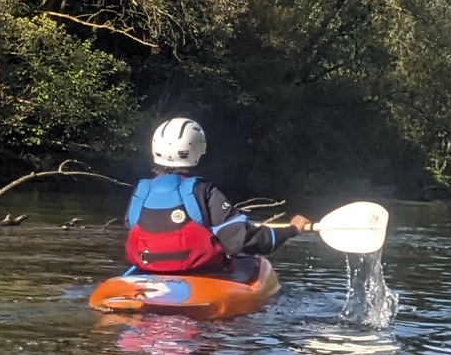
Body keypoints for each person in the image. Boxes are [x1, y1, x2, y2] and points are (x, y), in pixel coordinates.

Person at [123, 118, 311, 276]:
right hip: (199, 275)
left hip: (147, 273)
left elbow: (144, 230)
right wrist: (292, 229)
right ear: (198, 150)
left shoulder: (141, 191)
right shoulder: (203, 191)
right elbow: (242, 241)